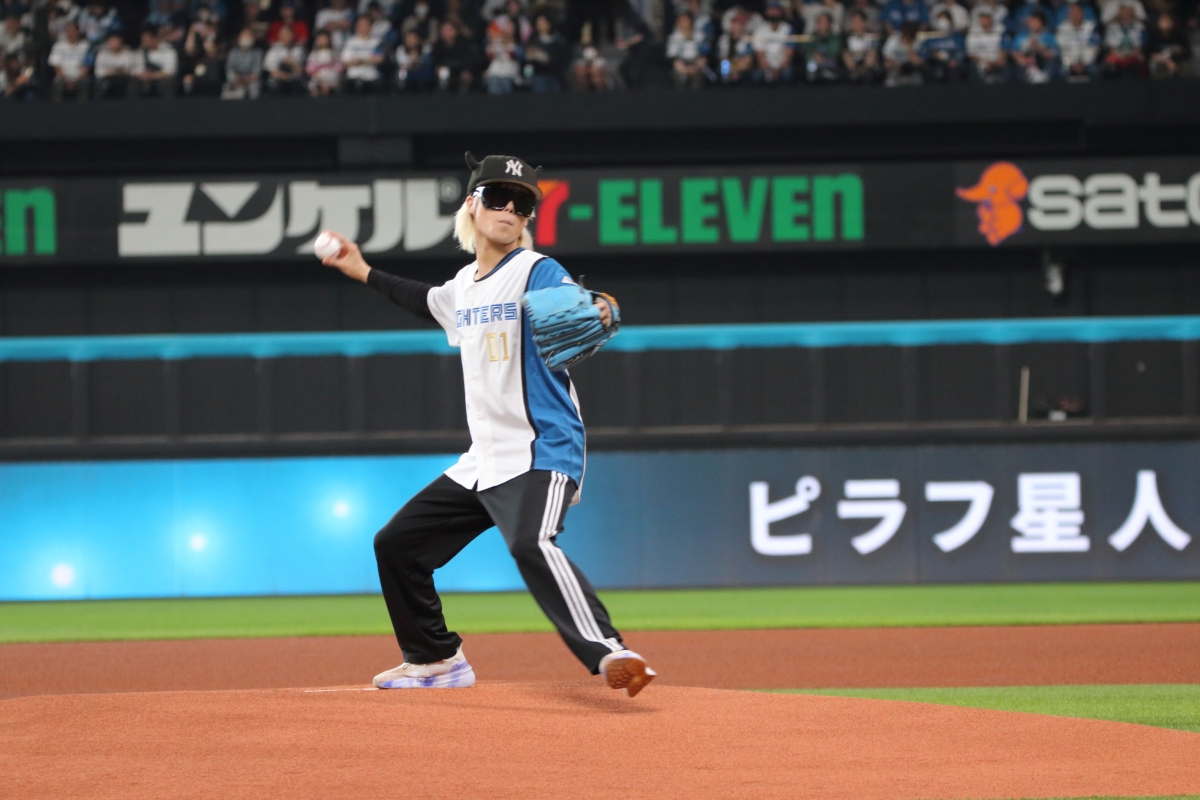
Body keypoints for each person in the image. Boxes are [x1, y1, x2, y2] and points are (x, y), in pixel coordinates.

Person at [318, 152, 656, 698]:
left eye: (522, 203)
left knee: (530, 542)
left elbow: (574, 312)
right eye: (497, 197)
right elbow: (420, 299)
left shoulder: (536, 270)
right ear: (471, 205)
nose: (509, 209)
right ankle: (435, 659)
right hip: (484, 460)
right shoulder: (462, 288)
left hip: (542, 448)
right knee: (397, 544)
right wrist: (360, 269)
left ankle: (610, 651)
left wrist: (594, 310)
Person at [522, 13, 569, 92]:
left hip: (555, 75)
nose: (540, 25)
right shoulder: (533, 41)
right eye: (538, 23)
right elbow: (528, 59)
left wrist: (545, 58)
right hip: (539, 75)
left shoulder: (558, 40)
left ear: (549, 24)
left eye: (543, 23)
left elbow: (561, 60)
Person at [1056, 0, 1100, 81]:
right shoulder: (1062, 29)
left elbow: (1093, 49)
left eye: (1078, 12)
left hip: (1087, 62)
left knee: (1095, 71)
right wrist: (1072, 64)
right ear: (1069, 14)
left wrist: (1084, 64)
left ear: (1082, 13)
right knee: (1061, 73)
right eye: (1073, 12)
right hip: (1069, 63)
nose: (1075, 15)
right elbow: (1063, 51)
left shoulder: (1092, 28)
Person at [48, 20, 92, 100]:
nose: (70, 33)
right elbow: (57, 68)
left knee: (84, 83)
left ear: (78, 31)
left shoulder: (86, 46)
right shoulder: (58, 46)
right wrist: (66, 80)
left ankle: (82, 110)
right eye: (67, 30)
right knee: (57, 84)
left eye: (72, 30)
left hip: (80, 78)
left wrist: (75, 80)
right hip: (63, 78)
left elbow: (86, 67)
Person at [752, 0, 793, 83]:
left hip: (782, 67)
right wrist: (770, 70)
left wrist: (778, 70)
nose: (773, 12)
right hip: (766, 67)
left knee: (788, 74)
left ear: (780, 11)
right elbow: (760, 57)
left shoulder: (788, 29)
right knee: (756, 75)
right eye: (770, 9)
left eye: (775, 9)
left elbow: (788, 56)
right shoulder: (759, 30)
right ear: (766, 11)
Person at [1102, 1, 1146, 77]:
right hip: (1117, 56)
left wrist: (1130, 55)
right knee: (1111, 66)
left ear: (1132, 13)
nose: (1125, 15)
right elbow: (1111, 49)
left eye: (1128, 12)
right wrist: (1120, 56)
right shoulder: (1112, 27)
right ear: (1119, 13)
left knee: (1138, 65)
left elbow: (1140, 47)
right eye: (1123, 12)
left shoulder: (1139, 27)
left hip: (1133, 56)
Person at [920, 8, 966, 80]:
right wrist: (933, 55)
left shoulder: (957, 37)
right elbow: (923, 52)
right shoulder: (931, 38)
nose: (942, 22)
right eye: (940, 19)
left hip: (952, 65)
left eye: (944, 19)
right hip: (934, 64)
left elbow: (961, 51)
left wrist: (954, 60)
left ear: (950, 21)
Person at [341, 14, 384, 91]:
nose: (361, 26)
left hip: (371, 77)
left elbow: (378, 59)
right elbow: (345, 60)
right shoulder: (350, 42)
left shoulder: (377, 42)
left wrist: (360, 60)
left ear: (370, 27)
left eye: (364, 24)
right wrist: (367, 60)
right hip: (353, 77)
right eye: (359, 24)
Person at [667, 11, 709, 87]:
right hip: (681, 65)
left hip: (696, 64)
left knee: (699, 75)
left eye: (685, 20)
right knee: (678, 75)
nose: (684, 23)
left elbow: (704, 55)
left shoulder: (699, 36)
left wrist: (695, 67)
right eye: (681, 21)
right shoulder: (674, 37)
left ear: (691, 22)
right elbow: (672, 56)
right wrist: (685, 69)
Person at [134, 27, 179, 96]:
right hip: (146, 78)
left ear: (155, 38)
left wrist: (152, 75)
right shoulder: (141, 51)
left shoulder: (168, 50)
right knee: (134, 83)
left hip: (162, 79)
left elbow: (170, 71)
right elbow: (136, 69)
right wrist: (143, 74)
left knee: (167, 83)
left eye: (146, 39)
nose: (144, 42)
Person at [1144, 10, 1190, 78]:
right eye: (1163, 20)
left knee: (1186, 65)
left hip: (1177, 60)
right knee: (1159, 66)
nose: (1166, 23)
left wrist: (1175, 59)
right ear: (1158, 22)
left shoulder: (1179, 35)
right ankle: (1159, 87)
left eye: (1168, 20)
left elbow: (1187, 51)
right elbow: (1149, 53)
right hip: (1160, 61)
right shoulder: (1153, 36)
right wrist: (1167, 62)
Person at [715, 9, 756, 84]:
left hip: (742, 71)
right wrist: (731, 70)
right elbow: (722, 58)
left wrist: (736, 70)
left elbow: (748, 61)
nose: (737, 26)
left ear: (744, 26)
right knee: (722, 72)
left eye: (740, 24)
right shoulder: (723, 39)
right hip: (727, 69)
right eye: (735, 23)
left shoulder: (748, 39)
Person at [264, 24, 307, 93]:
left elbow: (300, 70)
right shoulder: (274, 49)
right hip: (278, 79)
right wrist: (283, 75)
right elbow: (271, 70)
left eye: (287, 34)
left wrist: (291, 62)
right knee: (274, 84)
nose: (285, 37)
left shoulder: (299, 50)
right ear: (279, 36)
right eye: (283, 34)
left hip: (294, 80)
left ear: (292, 35)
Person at [966, 8, 1006, 80]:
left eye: (986, 18)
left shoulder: (1000, 29)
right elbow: (971, 53)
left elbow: (1006, 46)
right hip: (981, 62)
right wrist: (984, 62)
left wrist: (1002, 57)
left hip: (998, 61)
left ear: (991, 19)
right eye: (982, 18)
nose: (984, 21)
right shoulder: (973, 32)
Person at [842, 9, 881, 81]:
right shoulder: (846, 37)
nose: (856, 24)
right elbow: (846, 54)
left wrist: (864, 67)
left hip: (867, 66)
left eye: (858, 21)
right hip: (853, 66)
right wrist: (854, 68)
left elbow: (872, 53)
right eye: (854, 22)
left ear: (864, 22)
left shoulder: (872, 35)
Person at [94, 30, 136, 96]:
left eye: (117, 40)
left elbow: (132, 71)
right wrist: (112, 71)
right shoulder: (102, 54)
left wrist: (121, 71)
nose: (115, 43)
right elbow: (98, 72)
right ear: (108, 42)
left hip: (124, 79)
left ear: (121, 41)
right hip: (107, 79)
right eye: (113, 40)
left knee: (133, 83)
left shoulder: (128, 53)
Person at [224, 26, 263, 97]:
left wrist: (246, 80)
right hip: (236, 81)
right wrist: (235, 79)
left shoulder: (257, 53)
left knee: (254, 87)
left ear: (253, 38)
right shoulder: (233, 53)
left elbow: (256, 74)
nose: (245, 38)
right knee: (226, 86)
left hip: (251, 81)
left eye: (248, 36)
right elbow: (229, 71)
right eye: (243, 36)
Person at [306, 28, 343, 93]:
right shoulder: (313, 54)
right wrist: (316, 72)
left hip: (331, 76)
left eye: (324, 39)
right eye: (320, 39)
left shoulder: (333, 53)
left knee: (325, 86)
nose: (322, 41)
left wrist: (331, 71)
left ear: (329, 40)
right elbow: (309, 68)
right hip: (318, 76)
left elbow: (339, 67)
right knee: (314, 87)